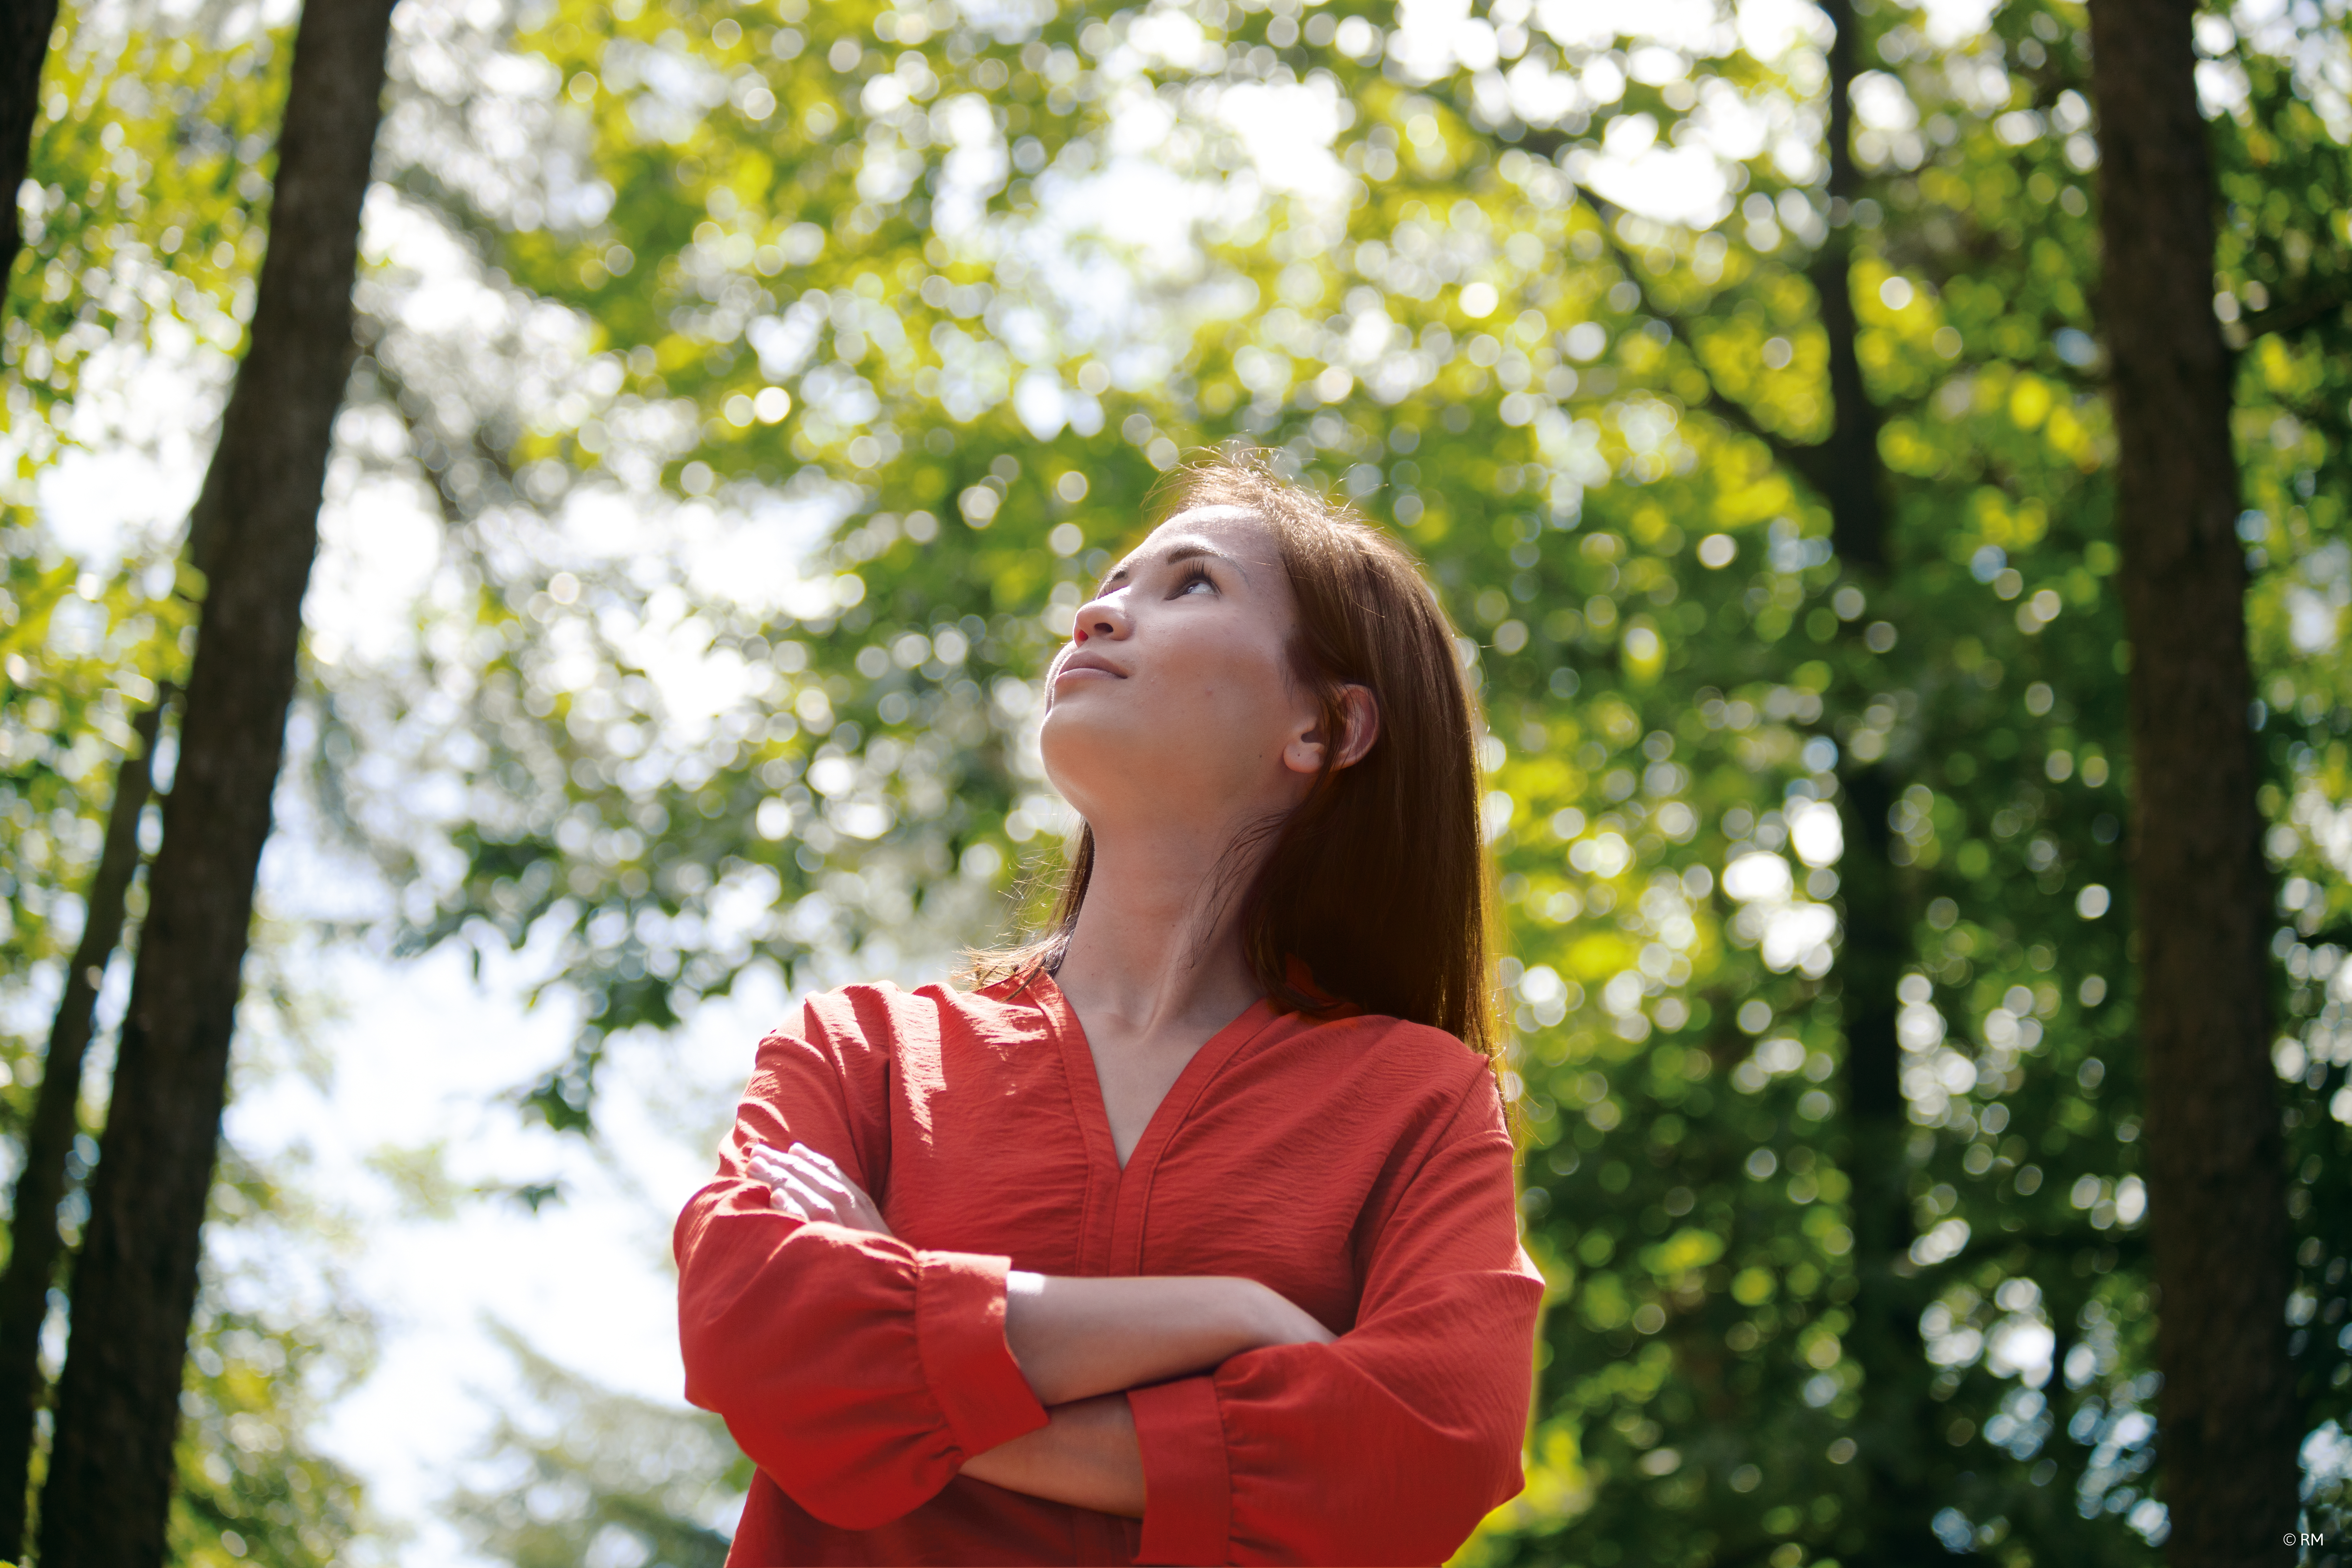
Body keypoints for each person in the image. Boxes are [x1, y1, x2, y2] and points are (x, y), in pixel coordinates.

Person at [674, 451, 1544, 1565]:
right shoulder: (861, 1051)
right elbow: (751, 1323)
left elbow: (1430, 1440)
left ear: (1325, 730)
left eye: (1189, 585)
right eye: (1109, 585)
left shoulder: (1423, 1103)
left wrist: (906, 1370)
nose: (1096, 613)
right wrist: (1228, 1316)